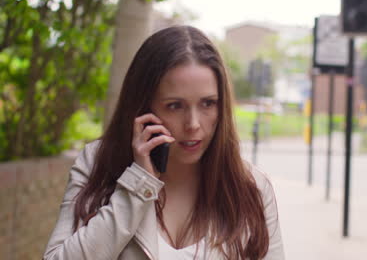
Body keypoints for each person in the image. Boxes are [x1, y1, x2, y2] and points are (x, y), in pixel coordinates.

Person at [43, 25, 284, 260]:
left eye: (208, 103)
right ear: (143, 107)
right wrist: (138, 185)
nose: (193, 124)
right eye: (174, 106)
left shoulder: (250, 189)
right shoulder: (97, 163)